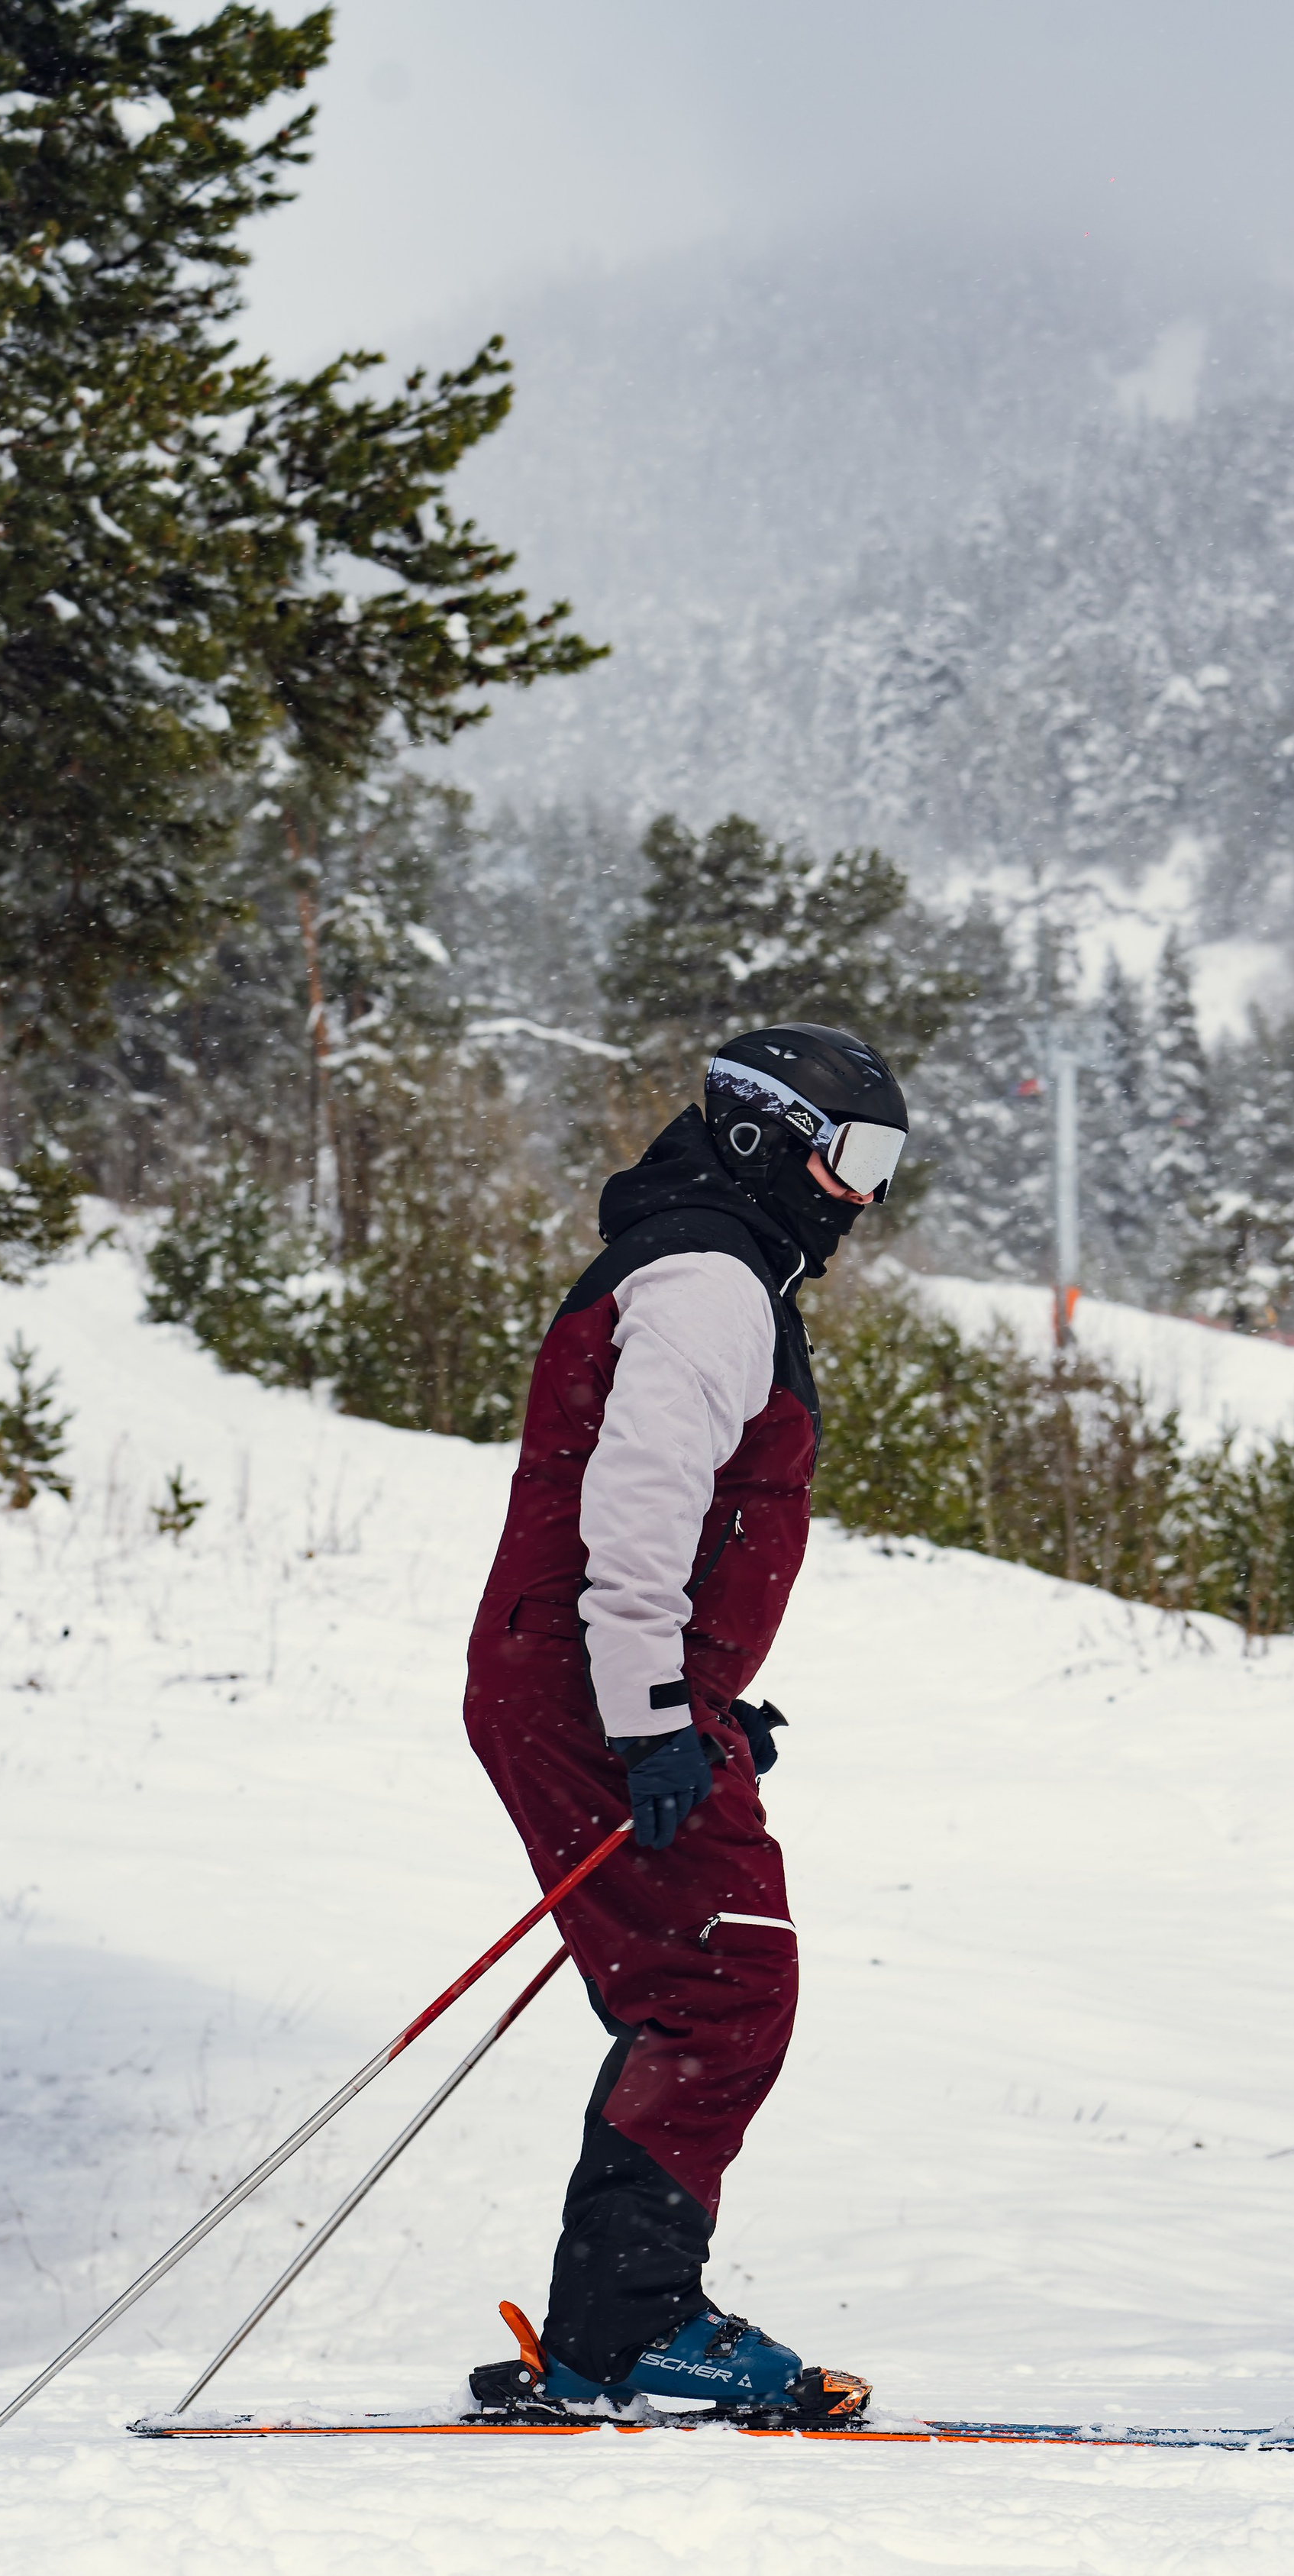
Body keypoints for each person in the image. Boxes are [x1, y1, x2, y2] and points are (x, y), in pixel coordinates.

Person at [463, 1022, 908, 2425]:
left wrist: (701, 1700)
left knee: (697, 1986)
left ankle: (615, 2326)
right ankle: (633, 2329)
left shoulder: (710, 1267)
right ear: (768, 1138)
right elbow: (642, 1498)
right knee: (724, 1990)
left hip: (595, 1679)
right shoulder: (712, 1278)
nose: (865, 1198)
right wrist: (653, 1709)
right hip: (596, 1686)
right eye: (857, 1159)